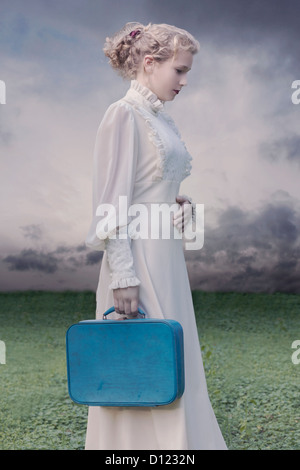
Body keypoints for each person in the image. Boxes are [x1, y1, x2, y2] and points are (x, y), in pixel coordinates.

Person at [85, 21, 227, 450]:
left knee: (172, 361)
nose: (184, 81)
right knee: (142, 363)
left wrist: (178, 205)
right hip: (138, 261)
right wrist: (122, 277)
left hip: (166, 259)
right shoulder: (123, 114)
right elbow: (111, 202)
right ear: (150, 63)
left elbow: (153, 188)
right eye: (179, 71)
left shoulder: (158, 118)